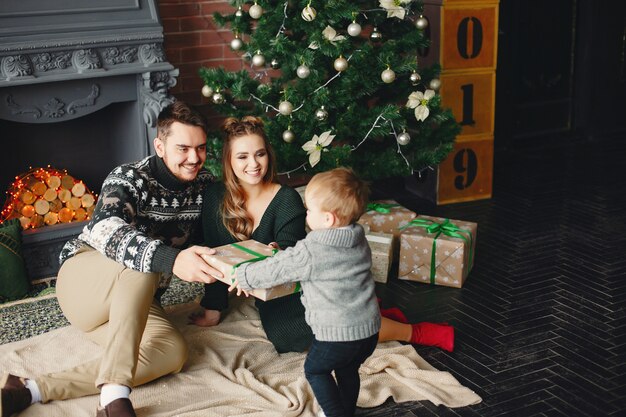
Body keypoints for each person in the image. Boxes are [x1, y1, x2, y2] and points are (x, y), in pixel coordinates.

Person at [0, 101, 222, 417]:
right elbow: (107, 229)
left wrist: (214, 302)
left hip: (135, 300)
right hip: (85, 285)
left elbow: (213, 241)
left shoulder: (205, 186)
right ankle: (115, 396)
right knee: (141, 265)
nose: (194, 158)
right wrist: (172, 260)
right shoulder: (129, 177)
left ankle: (29, 390)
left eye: (200, 148)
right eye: (183, 148)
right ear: (160, 145)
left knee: (172, 353)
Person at [191, 116, 454, 355]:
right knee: (290, 335)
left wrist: (275, 252)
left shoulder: (286, 199)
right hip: (259, 282)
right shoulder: (216, 196)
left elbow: (292, 260)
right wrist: (213, 309)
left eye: (260, 154)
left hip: (294, 284)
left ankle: (411, 331)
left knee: (294, 336)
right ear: (228, 160)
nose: (253, 164)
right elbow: (214, 254)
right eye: (242, 157)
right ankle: (379, 313)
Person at [227, 167, 380, 417]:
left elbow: (277, 269)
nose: (306, 214)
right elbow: (305, 260)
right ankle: (347, 409)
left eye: (309, 210)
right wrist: (287, 253)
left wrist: (242, 276)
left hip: (337, 335)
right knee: (347, 371)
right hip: (369, 331)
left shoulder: (312, 249)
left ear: (328, 219)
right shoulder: (357, 238)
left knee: (316, 370)